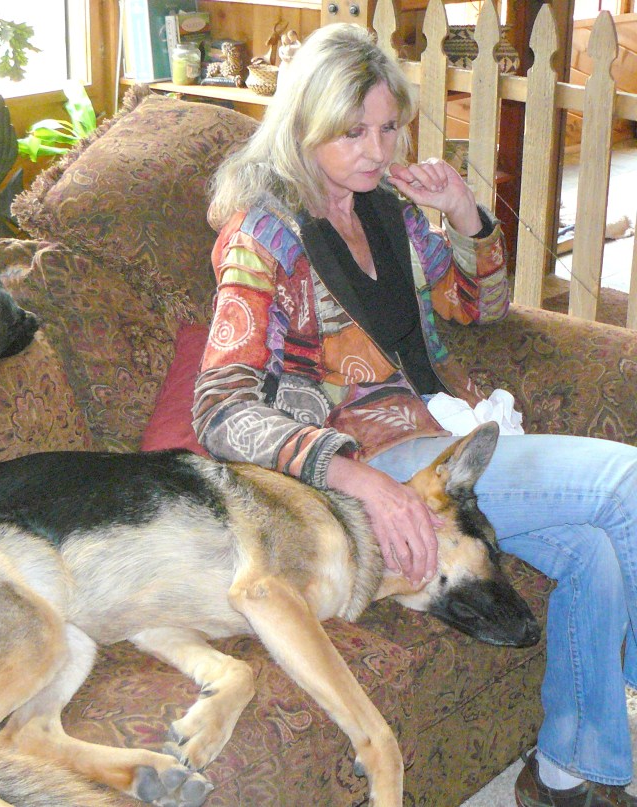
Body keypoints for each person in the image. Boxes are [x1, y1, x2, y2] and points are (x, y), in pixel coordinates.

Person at [194, 22, 637, 807]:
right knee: (629, 480)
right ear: (305, 126)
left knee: (596, 550)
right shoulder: (263, 236)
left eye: (388, 127)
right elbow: (220, 409)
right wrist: (355, 477)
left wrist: (466, 215)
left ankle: (565, 769)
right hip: (367, 459)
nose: (376, 149)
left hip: (441, 436)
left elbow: (483, 309)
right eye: (352, 131)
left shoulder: (391, 213)